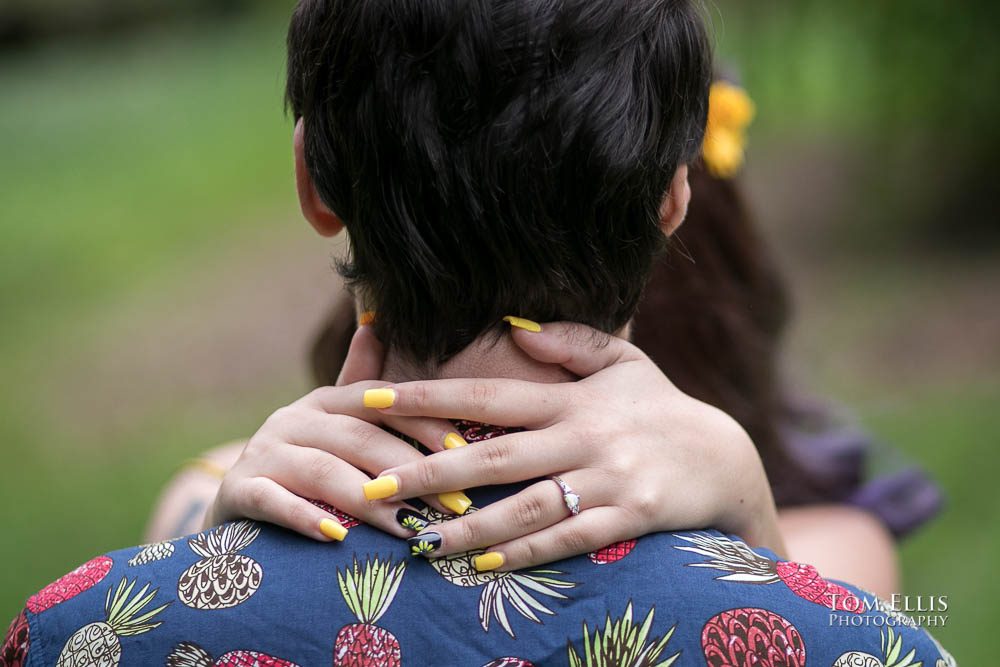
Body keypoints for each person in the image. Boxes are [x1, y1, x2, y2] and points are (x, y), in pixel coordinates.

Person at [2, 1, 954, 664]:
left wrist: (207, 558)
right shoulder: (867, 646)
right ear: (675, 196)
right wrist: (752, 516)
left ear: (315, 184)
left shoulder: (77, 635)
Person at [144, 84, 940, 598]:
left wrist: (748, 504)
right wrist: (227, 551)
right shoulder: (225, 486)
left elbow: (815, 634)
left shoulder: (833, 552)